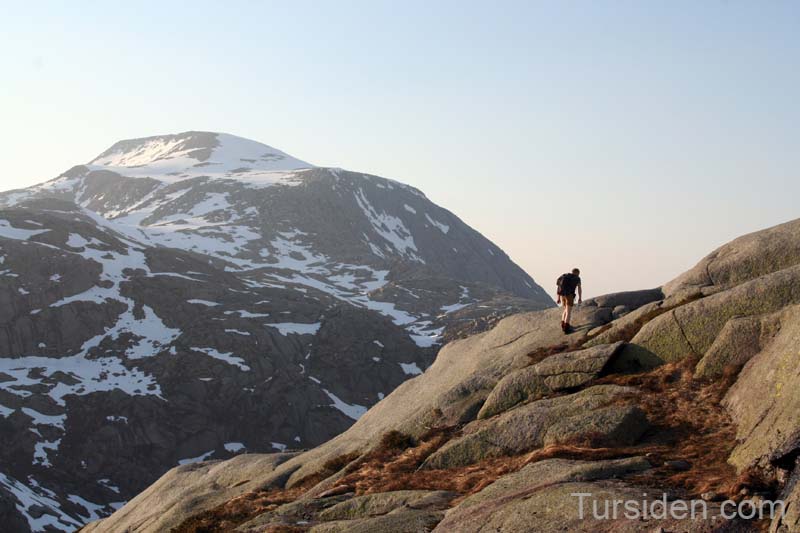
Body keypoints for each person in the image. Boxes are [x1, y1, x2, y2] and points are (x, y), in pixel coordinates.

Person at [556, 268, 582, 333]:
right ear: (577, 273)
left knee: (565, 309)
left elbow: (559, 287)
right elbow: (579, 288)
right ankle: (566, 328)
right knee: (568, 312)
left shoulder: (564, 276)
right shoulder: (577, 278)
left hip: (563, 295)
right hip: (569, 295)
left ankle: (563, 324)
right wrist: (580, 298)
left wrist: (558, 298)